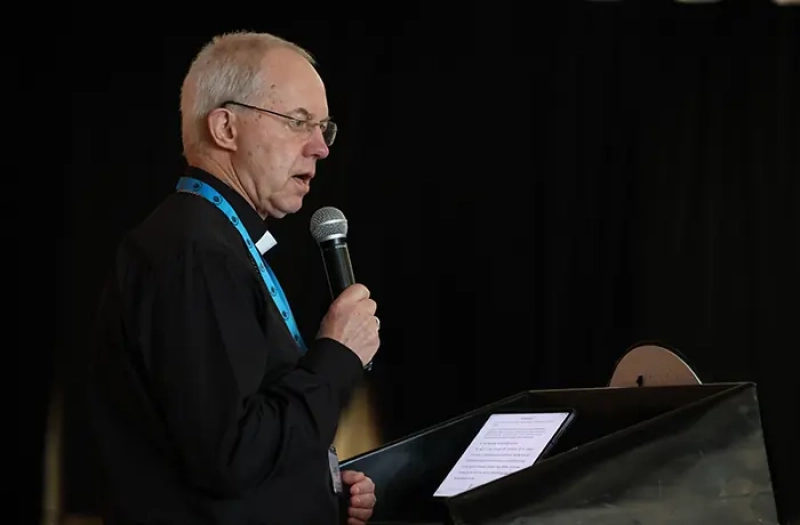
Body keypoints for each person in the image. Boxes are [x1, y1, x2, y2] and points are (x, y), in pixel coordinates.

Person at [85, 31, 380, 525]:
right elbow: (230, 456)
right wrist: (336, 355)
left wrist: (318, 483)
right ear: (225, 127)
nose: (319, 148)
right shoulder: (194, 252)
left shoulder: (215, 241)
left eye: (323, 127)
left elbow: (240, 439)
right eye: (298, 122)